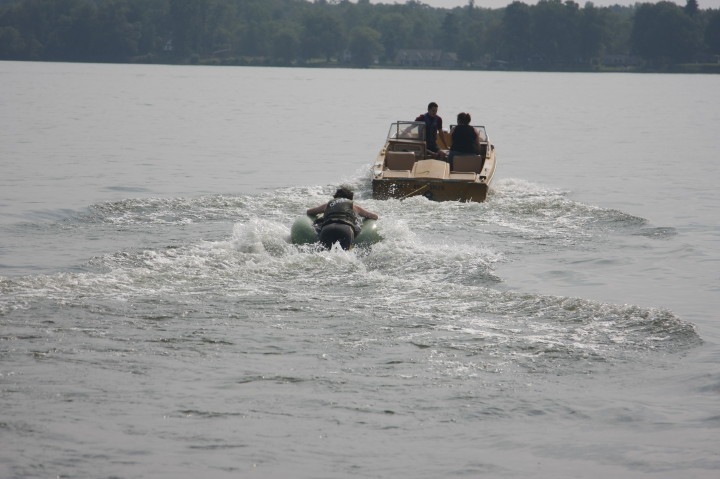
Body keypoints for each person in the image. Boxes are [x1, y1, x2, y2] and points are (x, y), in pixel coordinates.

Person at [306, 187, 379, 250]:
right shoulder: (353, 206)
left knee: (324, 255)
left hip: (327, 229)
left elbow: (309, 212)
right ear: (350, 199)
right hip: (345, 229)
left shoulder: (328, 204)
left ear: (335, 197)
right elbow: (374, 216)